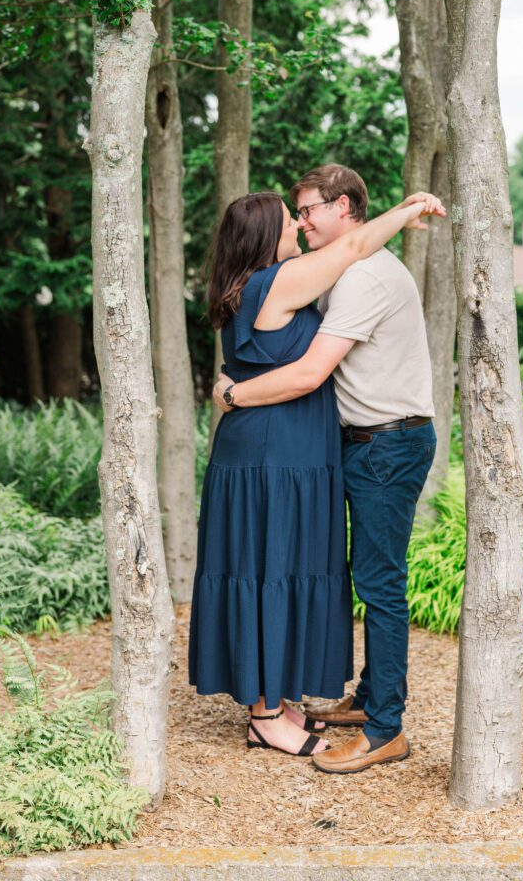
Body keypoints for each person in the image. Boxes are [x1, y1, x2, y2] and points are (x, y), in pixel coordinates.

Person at [190, 186, 443, 759]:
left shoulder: (272, 281)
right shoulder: (275, 282)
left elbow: (350, 248)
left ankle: (280, 698)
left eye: (303, 216)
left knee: (283, 565)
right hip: (270, 452)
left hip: (293, 450)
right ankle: (266, 716)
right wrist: (407, 210)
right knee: (265, 568)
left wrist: (232, 393)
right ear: (262, 238)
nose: (297, 229)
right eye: (288, 221)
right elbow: (352, 247)